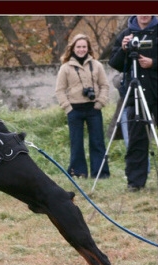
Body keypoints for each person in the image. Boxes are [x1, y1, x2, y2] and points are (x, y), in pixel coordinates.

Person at [108, 15, 158, 192]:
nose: (144, 15)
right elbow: (115, 63)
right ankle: (135, 183)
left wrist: (154, 63)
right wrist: (123, 49)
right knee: (137, 139)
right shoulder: (125, 34)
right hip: (135, 94)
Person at [55, 34, 110, 179]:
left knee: (97, 142)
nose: (81, 49)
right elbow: (59, 90)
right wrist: (67, 108)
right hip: (74, 109)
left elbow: (104, 85)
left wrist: (100, 102)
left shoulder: (97, 65)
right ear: (73, 48)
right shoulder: (65, 68)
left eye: (84, 47)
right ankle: (78, 173)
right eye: (78, 47)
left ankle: (100, 173)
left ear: (88, 48)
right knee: (76, 142)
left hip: (94, 108)